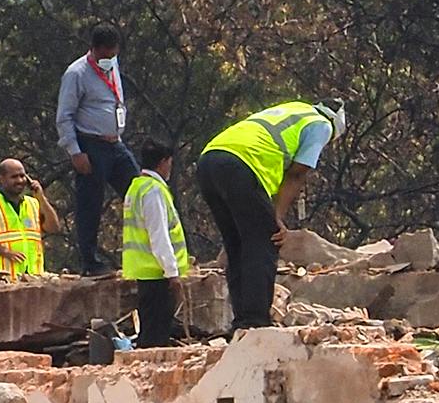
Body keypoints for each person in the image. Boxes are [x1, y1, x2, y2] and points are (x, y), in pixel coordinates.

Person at [196, 100, 343, 332]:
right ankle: (255, 321)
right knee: (266, 239)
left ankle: (241, 321)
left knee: (237, 244)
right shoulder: (321, 125)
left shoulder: (295, 108)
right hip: (242, 165)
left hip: (209, 161)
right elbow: (297, 174)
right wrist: (277, 216)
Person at [55, 24, 141, 276]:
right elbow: (64, 116)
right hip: (90, 144)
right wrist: (75, 151)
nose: (109, 59)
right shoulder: (76, 74)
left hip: (115, 143)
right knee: (90, 204)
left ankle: (150, 252)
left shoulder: (113, 64)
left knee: (140, 192)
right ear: (93, 49)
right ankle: (90, 263)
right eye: (104, 55)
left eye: (113, 54)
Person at [120, 142, 187, 347]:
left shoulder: (136, 187)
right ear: (163, 162)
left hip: (146, 272)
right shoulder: (154, 191)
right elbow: (159, 235)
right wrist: (172, 272)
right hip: (158, 273)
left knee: (150, 331)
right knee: (156, 337)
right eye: (169, 163)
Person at [0, 159, 57, 277]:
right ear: (2, 178)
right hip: (4, 277)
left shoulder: (34, 203)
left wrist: (41, 198)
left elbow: (53, 228)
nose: (20, 180)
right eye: (14, 177)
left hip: (34, 277)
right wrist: (6, 252)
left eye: (22, 176)